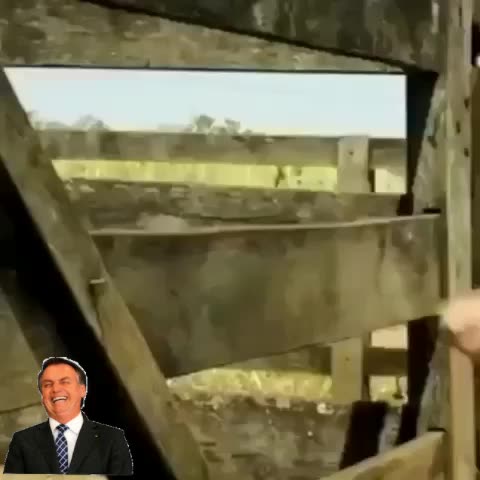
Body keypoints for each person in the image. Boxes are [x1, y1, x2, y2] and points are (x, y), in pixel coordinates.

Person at [3, 356, 133, 475]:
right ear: (42, 395)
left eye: (64, 382)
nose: (55, 389)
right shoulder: (23, 441)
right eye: (48, 385)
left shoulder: (111, 439)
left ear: (82, 390)